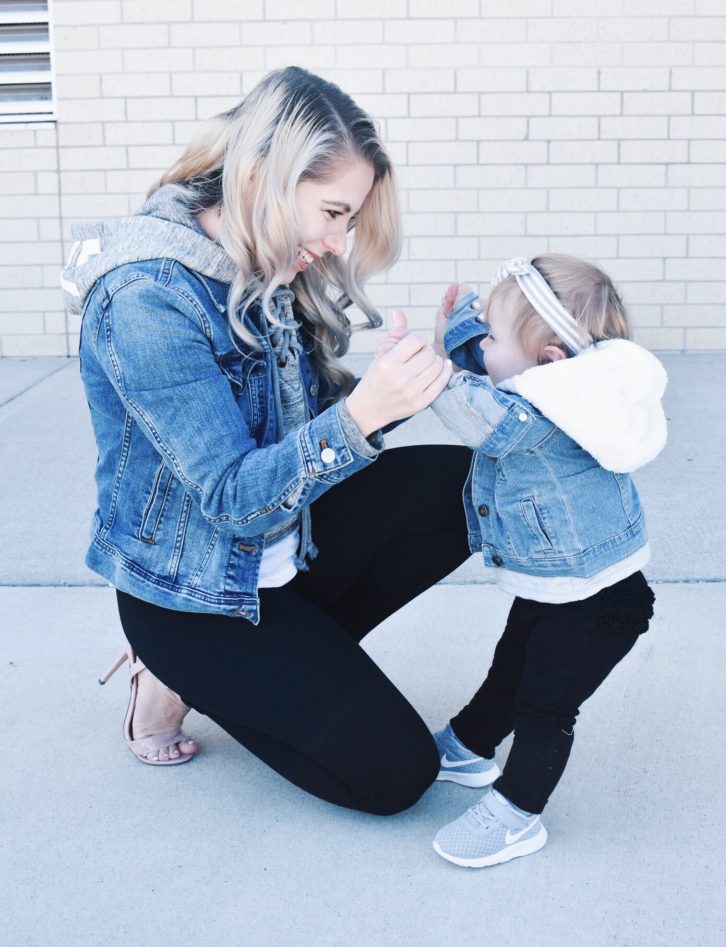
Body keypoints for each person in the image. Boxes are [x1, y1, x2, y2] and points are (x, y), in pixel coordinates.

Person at [64, 66, 468, 816]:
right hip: (196, 596)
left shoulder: (266, 254)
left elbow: (316, 425)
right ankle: (173, 669)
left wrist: (434, 367)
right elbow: (230, 498)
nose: (339, 240)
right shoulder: (147, 296)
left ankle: (275, 667)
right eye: (334, 212)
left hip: (287, 548)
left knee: (467, 484)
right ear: (263, 177)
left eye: (351, 218)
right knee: (397, 774)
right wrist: (360, 420)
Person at [379, 254, 667, 866]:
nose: (483, 348)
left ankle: (518, 812)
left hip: (600, 605)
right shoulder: (564, 381)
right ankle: (470, 744)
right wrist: (461, 334)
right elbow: (491, 373)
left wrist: (429, 364)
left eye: (492, 338)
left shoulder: (543, 413)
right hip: (564, 584)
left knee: (545, 706)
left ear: (549, 360)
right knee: (511, 666)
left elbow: (477, 413)